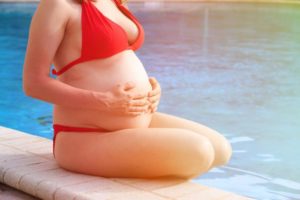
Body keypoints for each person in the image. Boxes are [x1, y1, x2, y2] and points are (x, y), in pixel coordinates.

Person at [22, 0, 232, 179]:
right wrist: (103, 100)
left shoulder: (113, 2)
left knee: (220, 149)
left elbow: (115, 61)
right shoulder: (57, 5)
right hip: (85, 135)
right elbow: (33, 83)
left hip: (134, 123)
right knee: (198, 151)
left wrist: (150, 89)